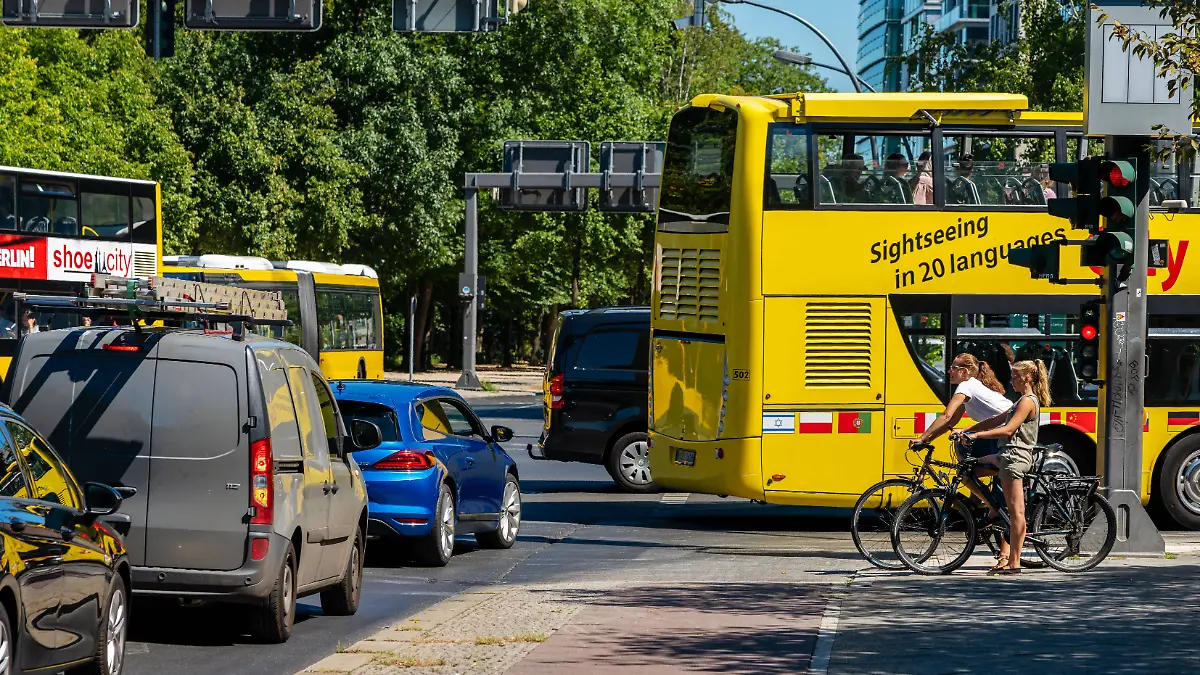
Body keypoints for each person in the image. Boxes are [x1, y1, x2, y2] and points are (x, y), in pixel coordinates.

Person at [953, 360, 1053, 575]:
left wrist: (976, 436)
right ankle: (993, 511)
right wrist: (967, 429)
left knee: (1017, 512)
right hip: (1004, 455)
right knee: (968, 470)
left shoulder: (1028, 401)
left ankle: (1014, 563)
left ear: (1026, 378)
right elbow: (993, 421)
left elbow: (1008, 430)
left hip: (1014, 458)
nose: (1011, 380)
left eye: (1014, 376)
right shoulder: (1019, 401)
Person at [909, 353, 1011, 454]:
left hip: (1006, 430)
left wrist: (922, 437)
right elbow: (952, 420)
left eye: (953, 368)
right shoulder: (971, 385)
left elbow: (946, 416)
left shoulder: (965, 386)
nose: (949, 371)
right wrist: (928, 440)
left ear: (964, 371)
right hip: (1002, 429)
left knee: (975, 463)